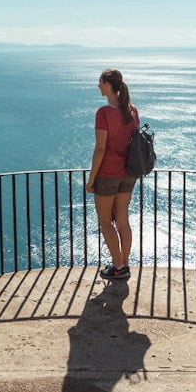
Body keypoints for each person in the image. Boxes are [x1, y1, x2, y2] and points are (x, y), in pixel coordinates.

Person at [85, 69, 139, 281]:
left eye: (100, 82)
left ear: (108, 84)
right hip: (128, 173)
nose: (98, 86)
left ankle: (118, 266)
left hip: (108, 173)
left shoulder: (104, 113)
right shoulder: (132, 110)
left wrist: (91, 180)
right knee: (123, 221)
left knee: (106, 221)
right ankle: (123, 264)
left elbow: (100, 149)